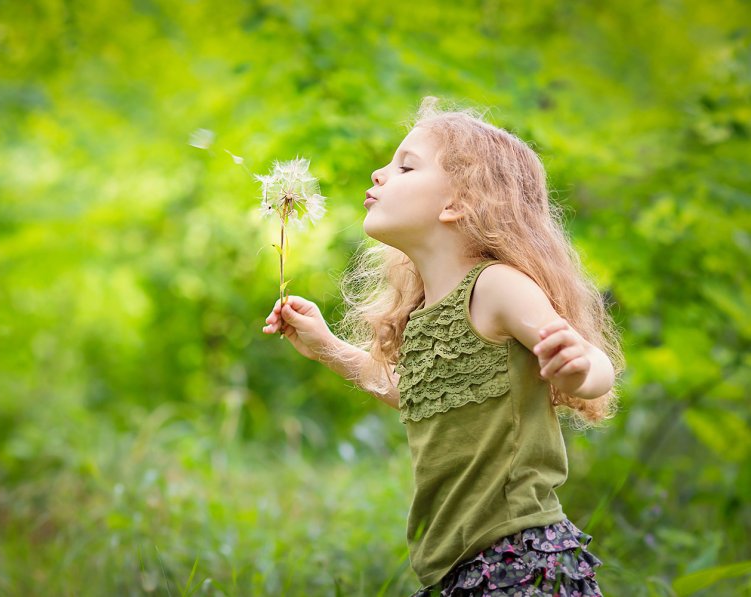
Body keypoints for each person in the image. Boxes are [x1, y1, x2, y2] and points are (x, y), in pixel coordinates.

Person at [262, 96, 624, 596]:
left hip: (520, 560)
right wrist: (327, 346)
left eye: (405, 166)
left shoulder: (496, 286)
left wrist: (578, 368)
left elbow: (595, 362)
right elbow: (413, 391)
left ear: (459, 203)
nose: (379, 173)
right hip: (459, 567)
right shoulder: (425, 311)